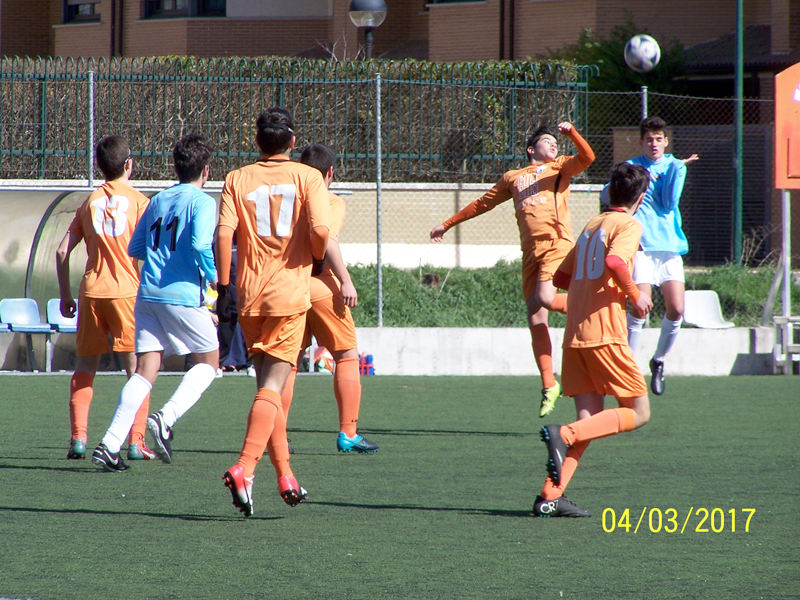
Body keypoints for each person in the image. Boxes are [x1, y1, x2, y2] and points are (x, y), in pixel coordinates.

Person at [430, 123, 595, 417]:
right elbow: (482, 204)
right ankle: (549, 384)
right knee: (535, 316)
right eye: (547, 141)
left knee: (545, 298)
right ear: (531, 149)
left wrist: (571, 133)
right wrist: (447, 224)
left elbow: (588, 157)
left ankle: (593, 305)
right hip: (530, 252)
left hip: (556, 243)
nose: (554, 144)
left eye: (555, 141)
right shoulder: (513, 178)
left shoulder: (560, 167)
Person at [216, 107, 330, 517]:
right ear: (293, 142)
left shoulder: (236, 178)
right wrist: (317, 259)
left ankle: (285, 476)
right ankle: (245, 468)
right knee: (272, 389)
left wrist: (224, 287)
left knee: (269, 389)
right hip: (287, 296)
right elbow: (321, 231)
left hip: (249, 297)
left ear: (257, 141)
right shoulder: (308, 177)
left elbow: (223, 234)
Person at [90, 134, 219, 472]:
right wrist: (213, 276)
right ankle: (166, 417)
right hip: (181, 295)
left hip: (147, 295)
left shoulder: (158, 199)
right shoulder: (203, 202)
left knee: (146, 369)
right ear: (206, 171)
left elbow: (136, 249)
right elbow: (200, 244)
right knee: (209, 362)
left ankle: (110, 444)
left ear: (176, 167)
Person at [534, 162, 653, 518]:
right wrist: (635, 296)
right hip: (605, 334)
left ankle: (549, 497)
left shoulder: (591, 226)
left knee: (589, 422)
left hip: (575, 337)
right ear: (641, 198)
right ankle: (563, 434)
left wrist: (588, 288)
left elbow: (561, 277)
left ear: (610, 192)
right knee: (639, 412)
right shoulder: (628, 225)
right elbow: (616, 261)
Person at [55, 135, 156, 462]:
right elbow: (152, 254)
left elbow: (61, 252)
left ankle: (79, 438)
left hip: (91, 293)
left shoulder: (90, 202)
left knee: (85, 367)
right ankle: (135, 441)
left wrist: (65, 296)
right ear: (129, 165)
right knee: (137, 370)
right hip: (126, 293)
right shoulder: (141, 202)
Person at [278, 143, 378, 454]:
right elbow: (327, 239)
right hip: (321, 285)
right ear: (331, 172)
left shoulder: (284, 200)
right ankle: (348, 433)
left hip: (287, 285)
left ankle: (277, 436)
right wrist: (346, 280)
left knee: (288, 363)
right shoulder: (329, 200)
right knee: (346, 355)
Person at [602, 117, 697, 396]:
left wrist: (677, 168)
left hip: (669, 248)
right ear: (641, 142)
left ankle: (659, 360)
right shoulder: (632, 167)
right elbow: (609, 195)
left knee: (676, 309)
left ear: (666, 141)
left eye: (658, 139)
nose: (653, 144)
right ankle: (627, 368)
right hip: (642, 247)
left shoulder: (675, 165)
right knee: (640, 307)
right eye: (648, 139)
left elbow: (669, 203)